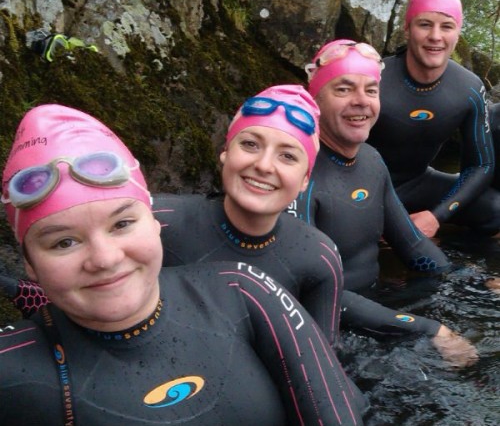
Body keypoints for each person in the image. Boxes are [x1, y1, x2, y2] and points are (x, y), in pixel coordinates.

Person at [0, 103, 363, 425]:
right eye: (64, 242)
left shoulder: (242, 291)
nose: (105, 258)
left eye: (122, 224)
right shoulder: (11, 369)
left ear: (156, 224)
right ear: (30, 264)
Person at [289, 38, 477, 367]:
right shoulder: (298, 174)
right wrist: (426, 328)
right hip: (326, 329)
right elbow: (313, 288)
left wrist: (472, 282)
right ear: (315, 98)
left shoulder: (371, 160)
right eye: (344, 89)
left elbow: (415, 247)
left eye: (371, 91)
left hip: (376, 308)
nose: (361, 102)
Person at [367, 0, 500, 238]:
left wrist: (437, 216)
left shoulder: (469, 88)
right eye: (425, 24)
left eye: (446, 26)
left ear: (458, 33)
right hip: (362, 187)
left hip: (417, 184)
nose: (435, 36)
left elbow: (481, 166)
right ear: (407, 28)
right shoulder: (373, 79)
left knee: (496, 210)